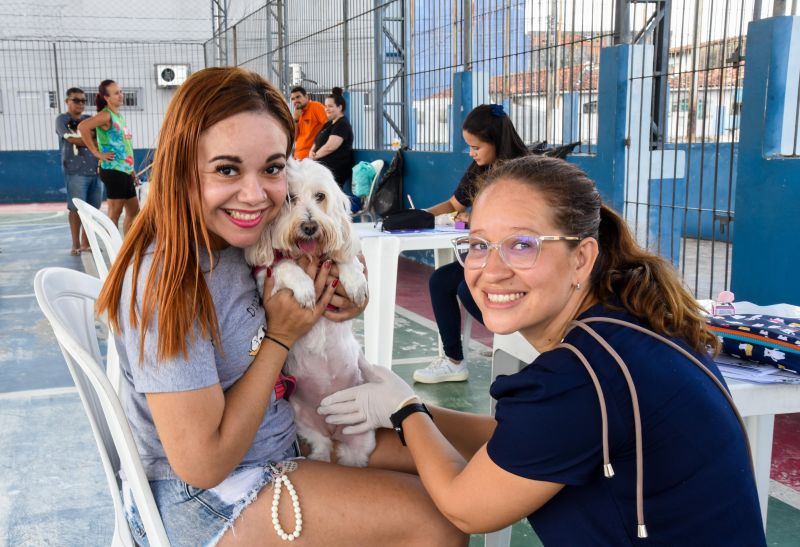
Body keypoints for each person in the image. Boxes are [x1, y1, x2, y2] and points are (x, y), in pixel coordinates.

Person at [95, 67, 465, 547]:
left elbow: (334, 259)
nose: (256, 195)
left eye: (271, 169)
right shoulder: (169, 281)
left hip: (286, 435)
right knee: (436, 520)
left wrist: (348, 301)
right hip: (206, 498)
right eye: (227, 169)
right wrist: (279, 337)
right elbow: (203, 465)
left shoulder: (238, 239)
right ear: (182, 168)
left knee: (467, 460)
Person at [319, 155, 767, 545]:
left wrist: (405, 411)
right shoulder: (628, 328)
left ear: (582, 258)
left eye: (522, 245)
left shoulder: (580, 375)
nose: (491, 270)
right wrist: (402, 416)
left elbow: (465, 507)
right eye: (478, 245)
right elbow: (516, 439)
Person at [414, 103, 528, 383]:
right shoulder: (479, 168)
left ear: (495, 142)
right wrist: (418, 216)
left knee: (468, 289)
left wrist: (476, 216)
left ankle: (517, 338)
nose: (471, 153)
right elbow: (453, 204)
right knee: (440, 280)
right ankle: (454, 361)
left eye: (476, 147)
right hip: (487, 254)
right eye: (469, 147)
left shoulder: (523, 171)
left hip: (517, 259)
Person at [78, 79, 139, 234]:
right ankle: (115, 253)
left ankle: (126, 248)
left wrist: (131, 170)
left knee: (134, 211)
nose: (121, 95)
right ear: (106, 97)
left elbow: (124, 147)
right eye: (116, 93)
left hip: (124, 170)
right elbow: (83, 127)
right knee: (114, 214)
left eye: (121, 92)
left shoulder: (118, 116)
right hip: (113, 170)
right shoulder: (105, 115)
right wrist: (96, 153)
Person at [55, 87, 102, 255]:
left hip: (95, 170)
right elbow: (72, 139)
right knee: (75, 209)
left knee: (92, 209)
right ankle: (75, 245)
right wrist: (90, 141)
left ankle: (86, 243)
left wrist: (88, 140)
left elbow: (101, 138)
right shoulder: (62, 120)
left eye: (83, 100)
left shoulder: (90, 119)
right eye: (76, 100)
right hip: (75, 171)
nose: (81, 104)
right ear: (67, 101)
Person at [309, 87, 354, 190]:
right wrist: (311, 152)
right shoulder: (328, 123)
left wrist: (314, 157)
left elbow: (330, 146)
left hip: (335, 171)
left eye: (330, 106)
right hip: (321, 168)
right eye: (326, 106)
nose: (326, 109)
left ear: (340, 107)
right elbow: (316, 141)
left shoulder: (342, 124)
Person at [289, 85, 326, 160]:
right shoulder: (297, 113)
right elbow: (295, 138)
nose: (295, 101)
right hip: (298, 157)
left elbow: (329, 126)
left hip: (312, 157)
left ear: (306, 97)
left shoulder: (316, 106)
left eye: (298, 97)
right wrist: (295, 120)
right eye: (293, 99)